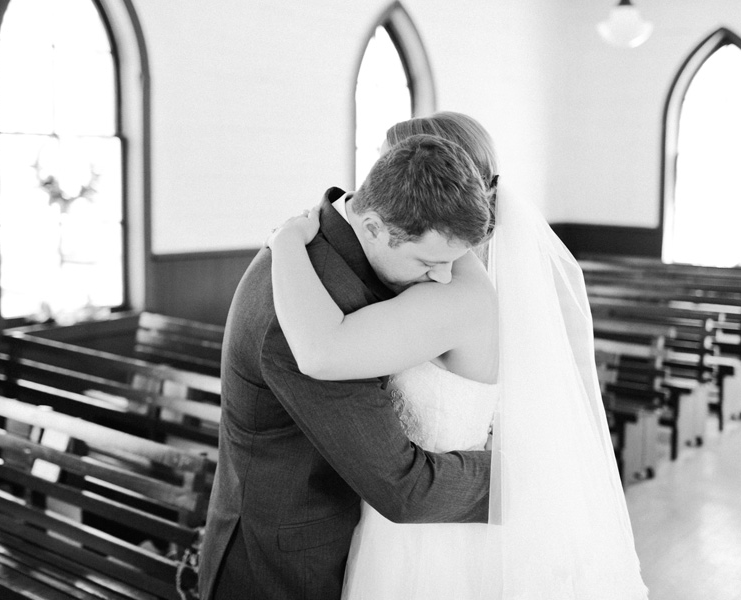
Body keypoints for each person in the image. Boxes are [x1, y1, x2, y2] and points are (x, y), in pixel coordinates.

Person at [267, 111, 649, 599]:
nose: (382, 183)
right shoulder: (457, 273)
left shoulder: (452, 292)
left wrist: (285, 244)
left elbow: (322, 351)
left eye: (396, 167)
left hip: (431, 523)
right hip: (432, 505)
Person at [199, 133, 496, 600]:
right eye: (428, 262)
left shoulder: (334, 249)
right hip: (281, 572)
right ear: (374, 226)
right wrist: (524, 476)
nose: (442, 279)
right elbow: (404, 487)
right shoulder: (311, 310)